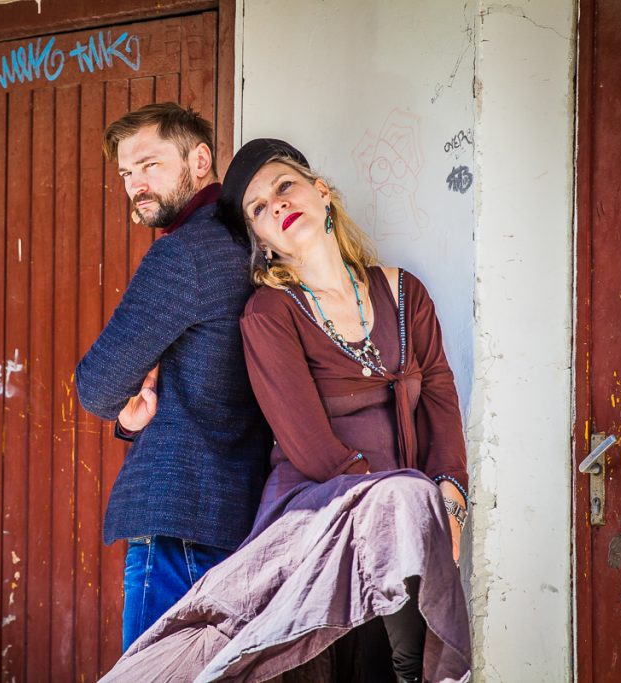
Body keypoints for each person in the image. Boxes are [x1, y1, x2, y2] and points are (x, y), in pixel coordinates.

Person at [101, 138, 472, 682]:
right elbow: (310, 446)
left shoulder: (404, 293)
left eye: (285, 187)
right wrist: (400, 513)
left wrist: (451, 500)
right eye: (258, 209)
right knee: (401, 506)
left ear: (322, 192)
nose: (276, 205)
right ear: (262, 241)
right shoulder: (270, 312)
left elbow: (439, 396)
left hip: (403, 519)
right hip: (317, 507)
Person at [74, 104, 272, 652]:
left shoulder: (184, 253)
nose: (135, 184)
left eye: (150, 165)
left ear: (200, 160)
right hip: (241, 515)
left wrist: (125, 412)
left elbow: (97, 385)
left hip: (178, 519)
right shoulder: (249, 241)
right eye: (126, 173)